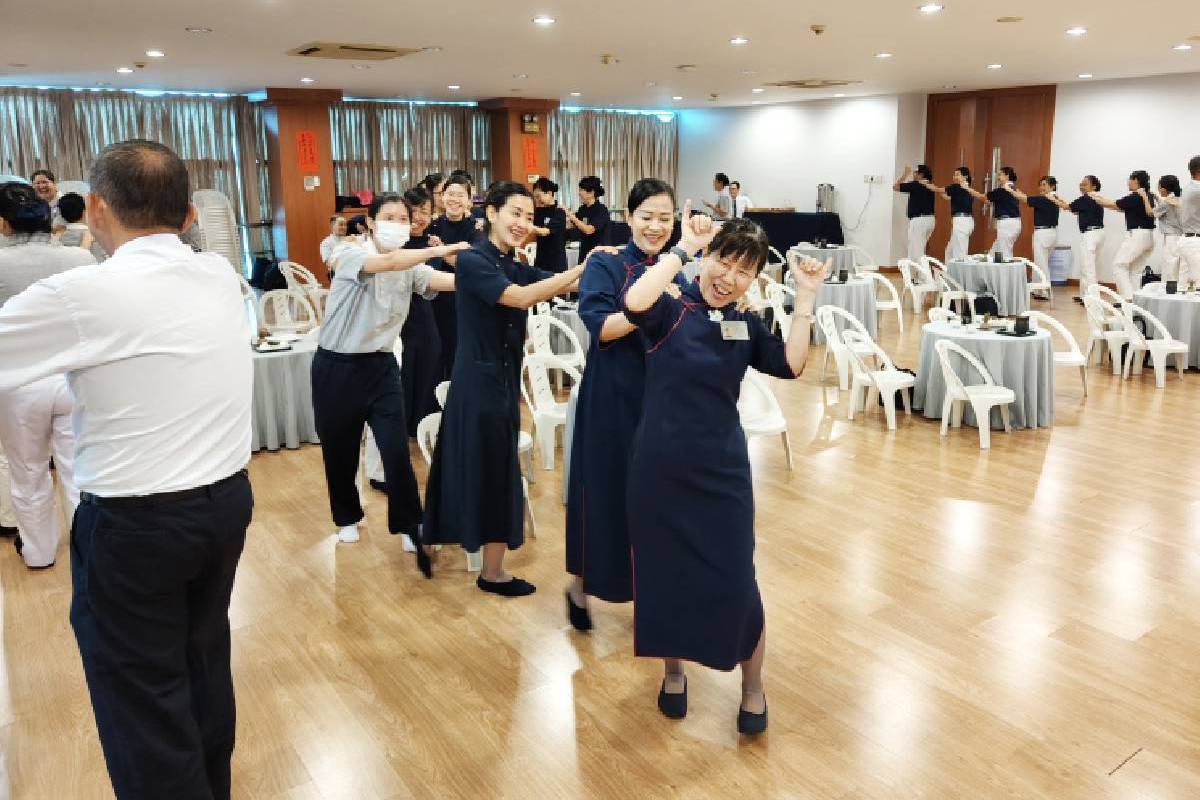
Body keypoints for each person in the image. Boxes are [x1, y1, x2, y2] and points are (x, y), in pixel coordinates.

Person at [0, 139, 254, 799]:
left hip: (139, 525)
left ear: (100, 211)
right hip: (224, 506)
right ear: (190, 214)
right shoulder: (220, 276)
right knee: (201, 664)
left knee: (141, 697)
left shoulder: (88, 292)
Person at [622, 208, 827, 735]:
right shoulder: (671, 309)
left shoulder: (746, 324)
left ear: (754, 278)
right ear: (708, 259)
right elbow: (634, 302)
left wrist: (804, 299)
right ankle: (673, 674)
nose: (728, 279)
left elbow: (792, 364)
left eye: (743, 271)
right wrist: (683, 250)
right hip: (660, 470)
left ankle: (753, 686)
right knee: (665, 575)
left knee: (738, 579)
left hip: (721, 473)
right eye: (723, 263)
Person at [423, 181, 588, 596]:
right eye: (515, 213)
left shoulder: (506, 261)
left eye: (529, 217)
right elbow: (520, 297)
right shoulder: (474, 261)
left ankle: (439, 542)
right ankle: (491, 572)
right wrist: (582, 269)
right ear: (491, 214)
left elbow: (553, 282)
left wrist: (608, 270)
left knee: (483, 467)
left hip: (497, 380)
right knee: (493, 471)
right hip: (480, 382)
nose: (522, 223)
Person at [564, 177, 688, 630]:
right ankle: (580, 583)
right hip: (613, 396)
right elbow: (601, 328)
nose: (656, 226)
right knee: (603, 490)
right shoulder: (607, 263)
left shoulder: (679, 266)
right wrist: (650, 304)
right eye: (647, 216)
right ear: (629, 217)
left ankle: (651, 591)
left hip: (663, 398)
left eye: (665, 218)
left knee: (656, 499)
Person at [315, 193, 465, 552]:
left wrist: (479, 276)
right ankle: (348, 517)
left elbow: (441, 282)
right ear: (370, 221)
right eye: (390, 217)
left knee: (396, 449)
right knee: (340, 451)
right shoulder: (350, 252)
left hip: (381, 366)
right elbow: (390, 263)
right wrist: (435, 251)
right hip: (336, 366)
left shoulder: (411, 264)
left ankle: (409, 523)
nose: (398, 224)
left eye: (403, 219)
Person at [0, 182, 94, 569]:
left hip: (17, 384)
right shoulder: (80, 261)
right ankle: (85, 550)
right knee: (78, 470)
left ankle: (38, 553)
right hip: (73, 378)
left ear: (4, 224)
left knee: (28, 472)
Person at [398, 186, 445, 438]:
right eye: (413, 211)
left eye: (424, 211)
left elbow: (432, 281)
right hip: (397, 315)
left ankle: (422, 422)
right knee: (403, 367)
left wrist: (438, 251)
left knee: (429, 361)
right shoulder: (394, 244)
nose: (418, 217)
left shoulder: (433, 244)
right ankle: (401, 423)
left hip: (423, 312)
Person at [428, 173, 479, 379]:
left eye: (460, 195)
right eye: (450, 194)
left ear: (469, 199)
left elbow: (471, 268)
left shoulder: (476, 229)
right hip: (434, 297)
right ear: (442, 197)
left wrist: (442, 250)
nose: (454, 199)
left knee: (458, 349)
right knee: (436, 350)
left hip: (463, 298)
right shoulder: (433, 225)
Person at [1091, 170, 1157, 298]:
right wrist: (1101, 200)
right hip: (1149, 236)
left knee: (1119, 266)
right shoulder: (1147, 196)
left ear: (1136, 180)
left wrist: (1093, 196)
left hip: (1137, 235)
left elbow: (1111, 203)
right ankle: (1136, 303)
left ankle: (1127, 300)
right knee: (1135, 271)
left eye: (1130, 179)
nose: (1128, 182)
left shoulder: (1135, 196)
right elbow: (1117, 207)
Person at [1059, 175, 1106, 301]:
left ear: (1094, 186)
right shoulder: (1096, 198)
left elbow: (1066, 207)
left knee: (1088, 268)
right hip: (1098, 233)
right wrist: (1060, 201)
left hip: (1090, 235)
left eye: (1085, 184)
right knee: (1088, 266)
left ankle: (1092, 299)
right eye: (1081, 183)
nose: (1081, 186)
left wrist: (1052, 198)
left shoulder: (1086, 198)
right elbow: (1074, 210)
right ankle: (1085, 295)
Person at [1010, 176, 1061, 279]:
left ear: (1052, 186)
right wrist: (1020, 194)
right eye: (1040, 185)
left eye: (1044, 185)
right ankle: (1038, 289)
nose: (1041, 187)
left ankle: (1044, 290)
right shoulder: (1056, 199)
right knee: (1042, 262)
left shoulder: (1044, 199)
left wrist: (1009, 190)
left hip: (1042, 234)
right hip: (1052, 233)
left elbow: (1025, 199)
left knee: (1040, 263)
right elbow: (1028, 198)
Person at [894, 165, 938, 264]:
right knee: (919, 247)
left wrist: (904, 175)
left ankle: (921, 277)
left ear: (921, 174)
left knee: (916, 250)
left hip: (919, 220)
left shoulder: (916, 184)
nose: (913, 174)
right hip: (930, 220)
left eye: (915, 172)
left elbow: (895, 187)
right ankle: (915, 275)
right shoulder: (930, 184)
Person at [977, 166, 1022, 259]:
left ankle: (1007, 273)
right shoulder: (1013, 188)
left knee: (1004, 254)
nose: (998, 177)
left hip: (1006, 224)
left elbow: (984, 198)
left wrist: (969, 190)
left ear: (1007, 176)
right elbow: (989, 201)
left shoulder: (1002, 190)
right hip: (1014, 223)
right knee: (994, 253)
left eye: (1000, 174)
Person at [564, 175, 610, 262]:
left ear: (592, 193)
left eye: (582, 190)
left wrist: (571, 215)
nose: (579, 193)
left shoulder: (601, 209)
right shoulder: (582, 209)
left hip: (599, 255)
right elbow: (571, 225)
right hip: (584, 253)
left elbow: (589, 230)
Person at [935, 167, 976, 262]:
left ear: (965, 176)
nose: (954, 177)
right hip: (964, 221)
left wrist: (927, 185)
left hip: (961, 221)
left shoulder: (957, 187)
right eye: (954, 175)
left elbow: (939, 190)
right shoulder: (964, 189)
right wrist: (942, 192)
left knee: (959, 253)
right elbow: (948, 197)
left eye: (957, 174)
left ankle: (959, 276)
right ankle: (949, 274)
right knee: (950, 251)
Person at [1171, 157, 1200, 287]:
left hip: (1189, 241)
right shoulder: (1197, 190)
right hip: (1194, 243)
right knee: (1197, 285)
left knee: (1184, 286)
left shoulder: (1190, 188)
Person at [530, 177, 567, 273]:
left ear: (549, 193)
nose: (537, 200)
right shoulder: (538, 211)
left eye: (538, 196)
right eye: (535, 197)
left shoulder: (559, 212)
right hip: (540, 259)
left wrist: (527, 227)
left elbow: (545, 231)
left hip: (555, 261)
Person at [1151, 175, 1183, 282]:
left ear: (1164, 189)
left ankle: (1167, 291)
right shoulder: (1179, 198)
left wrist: (1144, 197)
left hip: (1171, 238)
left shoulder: (1167, 202)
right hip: (1181, 237)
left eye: (1159, 187)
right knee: (1177, 266)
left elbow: (1152, 213)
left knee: (1169, 265)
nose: (1158, 189)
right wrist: (1157, 197)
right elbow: (1168, 210)